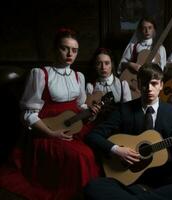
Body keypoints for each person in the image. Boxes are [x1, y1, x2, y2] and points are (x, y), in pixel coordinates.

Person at [0, 28, 100, 200]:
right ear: (55, 49)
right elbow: (27, 113)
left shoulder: (79, 76)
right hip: (46, 130)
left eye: (74, 50)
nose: (70, 53)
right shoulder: (40, 74)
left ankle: (94, 192)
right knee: (82, 157)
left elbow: (79, 106)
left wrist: (90, 113)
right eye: (64, 48)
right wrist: (51, 133)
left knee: (96, 149)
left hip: (73, 125)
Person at [84, 63, 172, 200]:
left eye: (154, 83)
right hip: (129, 172)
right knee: (92, 187)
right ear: (138, 84)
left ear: (161, 85)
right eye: (145, 84)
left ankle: (140, 196)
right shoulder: (124, 109)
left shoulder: (169, 111)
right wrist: (117, 150)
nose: (149, 89)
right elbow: (93, 135)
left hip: (162, 171)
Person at [118, 16, 167, 99]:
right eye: (144, 28)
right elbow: (121, 64)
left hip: (150, 84)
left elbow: (161, 70)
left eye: (150, 28)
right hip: (133, 81)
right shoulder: (133, 46)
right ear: (140, 30)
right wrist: (131, 64)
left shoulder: (160, 48)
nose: (147, 31)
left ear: (154, 30)